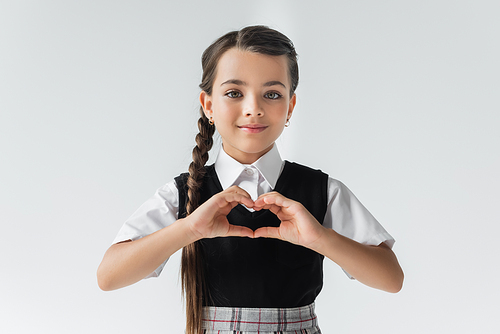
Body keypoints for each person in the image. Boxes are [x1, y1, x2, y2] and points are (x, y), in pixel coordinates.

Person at [97, 25, 404, 334]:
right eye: (234, 93)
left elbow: (391, 279)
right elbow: (109, 276)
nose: (253, 108)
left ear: (290, 107)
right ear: (208, 105)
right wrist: (189, 228)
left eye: (272, 94)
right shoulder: (184, 192)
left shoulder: (322, 191)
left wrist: (321, 239)